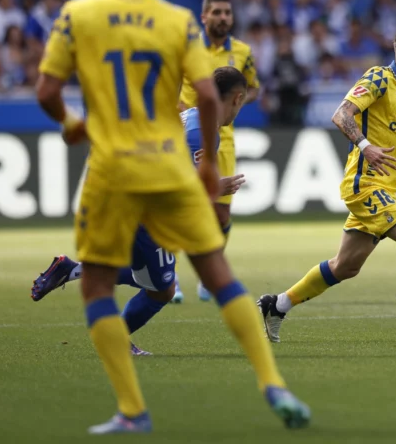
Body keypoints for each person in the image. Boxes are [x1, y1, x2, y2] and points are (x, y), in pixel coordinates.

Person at [35, 0, 308, 434]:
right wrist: (206, 166)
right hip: (164, 166)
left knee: (97, 283)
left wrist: (73, 126)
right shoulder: (178, 20)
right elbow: (207, 97)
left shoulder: (77, 14)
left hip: (110, 166)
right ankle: (273, 384)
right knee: (217, 277)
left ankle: (131, 410)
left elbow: (47, 91)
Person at [257, 24, 396, 342]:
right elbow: (342, 114)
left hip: (386, 189)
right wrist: (366, 146)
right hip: (365, 185)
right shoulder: (379, 78)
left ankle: (277, 305)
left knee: (345, 267)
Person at [30, 67, 248, 357]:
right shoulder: (202, 131)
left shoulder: (192, 119)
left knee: (142, 273)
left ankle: (71, 270)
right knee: (163, 290)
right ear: (237, 98)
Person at [175, 0, 260, 304]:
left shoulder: (242, 52)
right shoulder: (186, 47)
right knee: (181, 204)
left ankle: (205, 277)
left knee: (221, 215)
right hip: (189, 133)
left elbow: (251, 87)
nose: (223, 17)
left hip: (223, 141)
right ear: (204, 16)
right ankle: (168, 276)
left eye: (227, 12)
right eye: (217, 12)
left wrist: (232, 102)